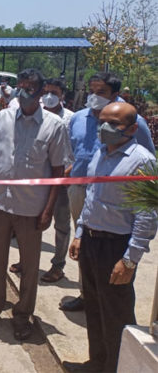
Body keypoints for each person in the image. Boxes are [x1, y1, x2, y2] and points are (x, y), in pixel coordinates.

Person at [0, 69, 69, 341]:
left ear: (40, 93)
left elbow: (59, 171)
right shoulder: (2, 118)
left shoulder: (54, 126)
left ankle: (23, 314)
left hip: (31, 209)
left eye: (30, 87)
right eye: (21, 86)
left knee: (29, 265)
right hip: (0, 203)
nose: (24, 91)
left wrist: (48, 210)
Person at [62, 102, 157, 373]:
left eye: (113, 124)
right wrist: (80, 233)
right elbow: (92, 197)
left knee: (115, 313)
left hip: (116, 245)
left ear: (132, 128)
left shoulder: (142, 161)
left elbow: (147, 215)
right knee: (93, 306)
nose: (105, 128)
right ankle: (98, 363)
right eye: (102, 121)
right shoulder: (101, 153)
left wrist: (130, 259)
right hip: (92, 240)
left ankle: (117, 367)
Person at [62, 72, 155, 312]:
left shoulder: (135, 123)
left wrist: (131, 257)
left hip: (118, 202)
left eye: (100, 91)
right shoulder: (79, 118)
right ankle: (87, 293)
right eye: (91, 90)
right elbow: (73, 150)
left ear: (115, 94)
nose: (94, 96)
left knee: (113, 267)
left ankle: (107, 302)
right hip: (84, 190)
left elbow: (145, 165)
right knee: (84, 248)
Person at [35, 78, 75, 283]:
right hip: (38, 179)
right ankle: (28, 262)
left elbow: (77, 151)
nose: (49, 95)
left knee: (61, 224)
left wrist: (69, 170)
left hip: (62, 180)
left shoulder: (71, 119)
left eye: (54, 92)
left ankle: (58, 265)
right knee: (32, 222)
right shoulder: (36, 115)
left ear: (62, 95)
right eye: (46, 91)